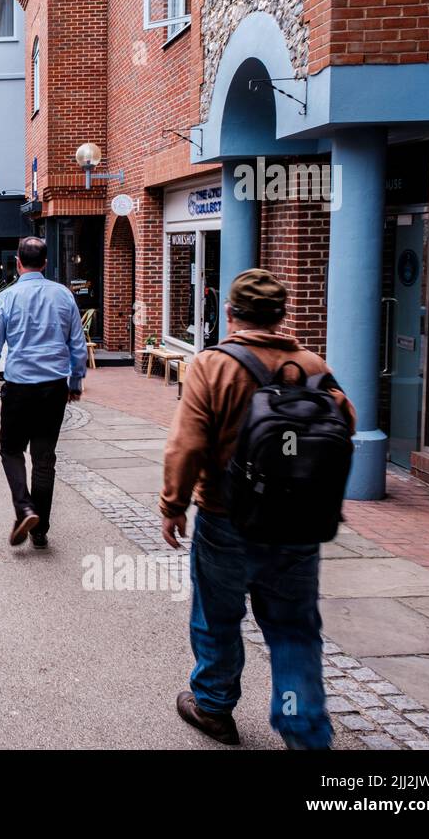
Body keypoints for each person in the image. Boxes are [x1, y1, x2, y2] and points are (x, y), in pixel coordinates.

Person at [160, 268, 355, 751]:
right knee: (293, 628)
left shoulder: (213, 364)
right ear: (282, 315)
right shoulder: (312, 365)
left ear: (230, 314)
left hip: (227, 517)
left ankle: (213, 705)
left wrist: (173, 505)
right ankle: (304, 729)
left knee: (217, 616)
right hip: (298, 522)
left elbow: (188, 443)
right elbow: (345, 425)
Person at [0, 237, 87, 549]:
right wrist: (75, 382)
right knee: (44, 457)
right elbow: (77, 344)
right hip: (53, 389)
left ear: (18, 263)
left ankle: (24, 508)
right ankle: (40, 530)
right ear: (46, 263)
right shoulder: (63, 296)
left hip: (20, 388)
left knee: (11, 450)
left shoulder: (6, 298)